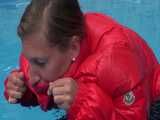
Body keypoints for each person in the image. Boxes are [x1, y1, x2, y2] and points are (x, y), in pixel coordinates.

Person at [4, 0, 160, 119]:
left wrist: (82, 100)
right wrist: (23, 91)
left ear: (73, 47)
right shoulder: (41, 51)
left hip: (151, 102)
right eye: (29, 59)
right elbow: (40, 88)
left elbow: (135, 115)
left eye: (40, 63)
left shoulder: (115, 61)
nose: (31, 76)